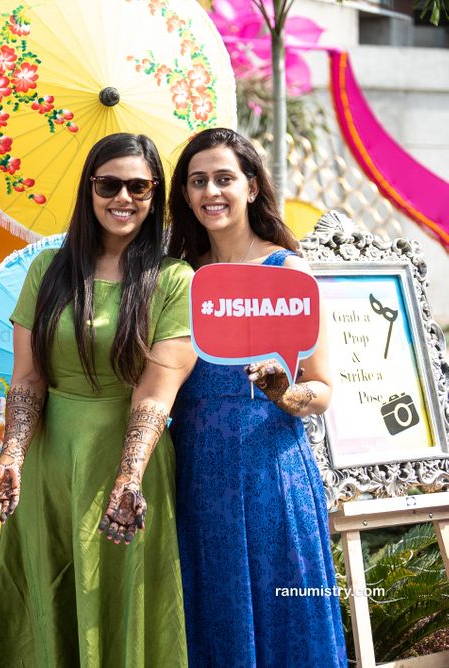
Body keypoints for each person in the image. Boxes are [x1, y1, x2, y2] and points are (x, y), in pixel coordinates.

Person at [0, 133, 196, 667]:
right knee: (45, 595)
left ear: (155, 195)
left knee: (120, 595)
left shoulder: (172, 279)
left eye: (139, 187)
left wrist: (128, 475)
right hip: (48, 464)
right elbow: (27, 380)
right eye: (109, 184)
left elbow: (155, 392)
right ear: (89, 191)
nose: (124, 198)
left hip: (128, 464)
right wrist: (12, 456)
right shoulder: (46, 270)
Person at [167, 127, 346, 667]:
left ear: (251, 187)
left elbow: (324, 388)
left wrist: (285, 394)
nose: (210, 192)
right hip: (196, 473)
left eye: (224, 178)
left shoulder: (288, 273)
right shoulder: (178, 277)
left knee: (281, 614)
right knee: (211, 612)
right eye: (198, 182)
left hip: (271, 471)